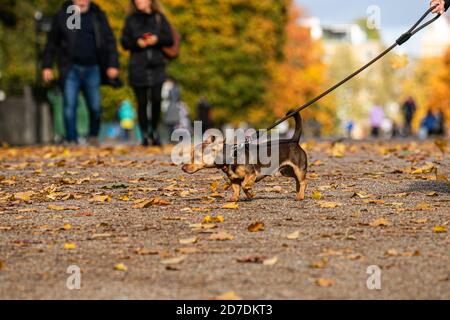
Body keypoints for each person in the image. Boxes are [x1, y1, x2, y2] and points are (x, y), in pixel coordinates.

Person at [42, 0, 120, 145]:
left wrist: (113, 64)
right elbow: (51, 42)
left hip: (93, 67)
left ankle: (93, 136)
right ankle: (72, 140)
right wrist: (47, 66)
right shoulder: (63, 15)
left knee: (95, 107)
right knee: (69, 106)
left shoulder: (98, 15)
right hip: (70, 68)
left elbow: (110, 41)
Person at [121, 0, 174, 146]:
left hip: (157, 66)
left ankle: (154, 131)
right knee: (142, 102)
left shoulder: (159, 18)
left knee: (157, 99)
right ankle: (144, 133)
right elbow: (124, 42)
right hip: (138, 66)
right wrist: (136, 43)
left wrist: (157, 39)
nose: (138, 1)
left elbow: (169, 39)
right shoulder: (131, 19)